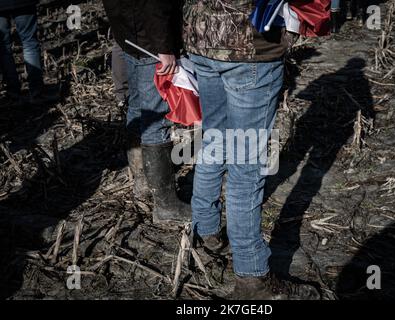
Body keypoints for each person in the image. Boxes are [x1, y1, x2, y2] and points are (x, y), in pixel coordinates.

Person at [184, 0, 298, 299]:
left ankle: (205, 231)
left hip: (202, 41)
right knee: (245, 166)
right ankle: (251, 277)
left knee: (215, 140)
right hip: (248, 49)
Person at [101, 0, 190, 223]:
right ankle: (165, 205)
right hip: (150, 42)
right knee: (155, 119)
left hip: (130, 36)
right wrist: (164, 47)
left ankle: (141, 181)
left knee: (138, 107)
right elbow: (154, 4)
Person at [0, 0, 46, 106]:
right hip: (23, 3)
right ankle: (36, 93)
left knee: (4, 49)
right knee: (29, 43)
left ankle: (13, 94)